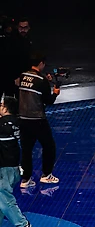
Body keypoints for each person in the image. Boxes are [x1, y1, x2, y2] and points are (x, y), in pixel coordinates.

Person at [18, 53, 60, 188]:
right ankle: (46, 175)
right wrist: (55, 93)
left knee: (26, 150)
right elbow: (48, 101)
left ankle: (25, 179)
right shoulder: (41, 80)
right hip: (38, 119)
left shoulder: (23, 75)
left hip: (23, 118)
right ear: (41, 63)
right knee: (49, 146)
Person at [0, 94, 32, 227]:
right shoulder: (18, 123)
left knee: (4, 196)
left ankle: (21, 223)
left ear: (5, 108)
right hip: (14, 167)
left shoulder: (3, 125)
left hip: (4, 168)